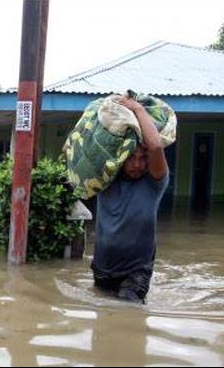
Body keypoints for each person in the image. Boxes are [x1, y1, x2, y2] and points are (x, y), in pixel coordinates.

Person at [91, 96, 169, 303]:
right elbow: (96, 146)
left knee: (128, 317)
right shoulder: (105, 179)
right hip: (102, 268)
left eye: (142, 158)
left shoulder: (154, 183)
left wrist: (138, 110)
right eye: (131, 158)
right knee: (102, 326)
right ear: (120, 158)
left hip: (136, 272)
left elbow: (155, 147)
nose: (137, 164)